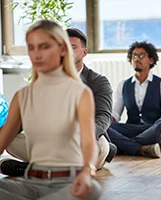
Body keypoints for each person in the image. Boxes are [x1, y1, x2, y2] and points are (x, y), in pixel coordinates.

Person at [0, 20, 101, 199]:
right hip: (31, 181)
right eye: (32, 47)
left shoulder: (80, 93)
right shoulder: (22, 96)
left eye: (44, 46)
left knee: (92, 188)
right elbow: (2, 142)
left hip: (71, 182)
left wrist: (87, 172)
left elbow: (88, 142)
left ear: (62, 49)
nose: (37, 54)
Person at [107, 41, 161, 158]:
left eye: (141, 56)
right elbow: (115, 115)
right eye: (134, 56)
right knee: (104, 126)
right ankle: (141, 148)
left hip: (153, 129)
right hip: (131, 128)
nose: (136, 59)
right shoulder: (123, 84)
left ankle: (124, 145)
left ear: (151, 60)